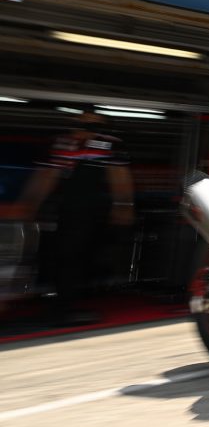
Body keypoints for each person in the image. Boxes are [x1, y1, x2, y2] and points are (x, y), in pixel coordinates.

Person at [17, 108, 134, 324]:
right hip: (64, 211)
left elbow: (120, 178)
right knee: (61, 256)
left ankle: (64, 305)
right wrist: (30, 205)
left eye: (92, 126)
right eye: (80, 124)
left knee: (77, 257)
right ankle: (58, 305)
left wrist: (123, 206)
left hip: (90, 211)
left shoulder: (108, 144)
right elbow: (46, 176)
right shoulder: (61, 142)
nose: (85, 130)